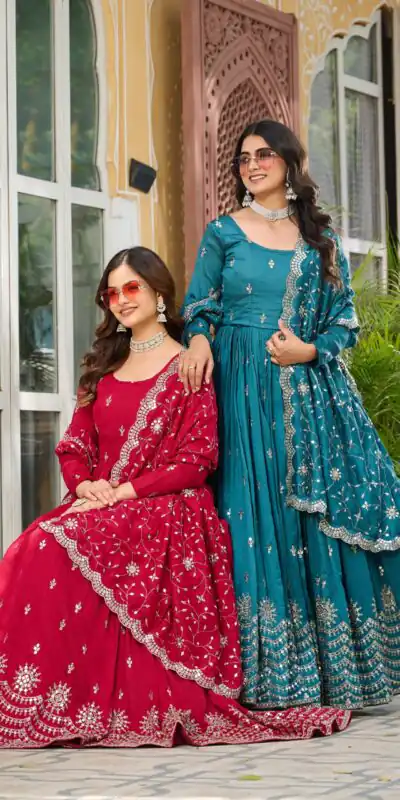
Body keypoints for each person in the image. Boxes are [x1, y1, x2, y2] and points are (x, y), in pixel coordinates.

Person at [0, 246, 349, 748]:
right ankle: (42, 694)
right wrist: (84, 484)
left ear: (159, 292)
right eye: (111, 293)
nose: (122, 300)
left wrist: (124, 490)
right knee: (38, 543)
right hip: (104, 503)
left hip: (169, 508)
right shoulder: (102, 366)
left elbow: (197, 460)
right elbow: (75, 446)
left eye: (132, 288)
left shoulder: (189, 363)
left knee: (53, 541)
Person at [180, 118, 400, 712]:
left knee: (310, 516)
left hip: (306, 393)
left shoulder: (319, 239)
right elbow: (199, 305)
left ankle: (334, 673)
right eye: (243, 158)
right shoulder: (223, 233)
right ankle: (268, 673)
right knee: (251, 509)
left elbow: (345, 322)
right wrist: (198, 338)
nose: (252, 165)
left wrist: (309, 351)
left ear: (288, 163)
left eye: (264, 155)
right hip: (240, 387)